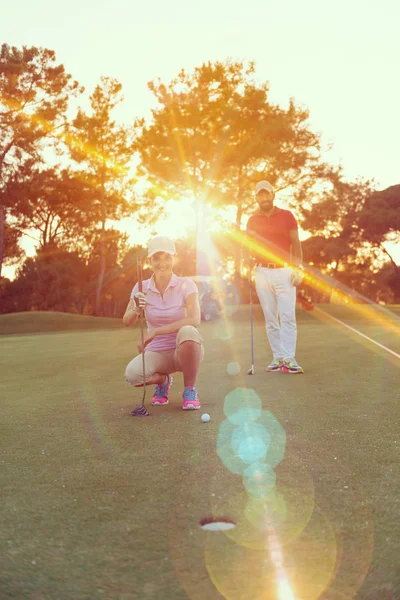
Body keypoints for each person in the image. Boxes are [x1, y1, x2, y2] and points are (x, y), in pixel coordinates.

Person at [123, 235, 204, 409]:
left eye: (167, 257)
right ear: (150, 260)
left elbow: (194, 319)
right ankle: (163, 380)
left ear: (174, 258)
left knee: (188, 331)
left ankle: (189, 390)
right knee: (133, 376)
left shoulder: (186, 285)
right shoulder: (140, 287)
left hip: (182, 350)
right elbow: (126, 321)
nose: (162, 263)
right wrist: (136, 309)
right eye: (156, 258)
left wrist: (155, 332)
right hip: (157, 353)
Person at [246, 180, 304, 374]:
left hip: (284, 271)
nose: (263, 198)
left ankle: (289, 358)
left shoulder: (287, 216)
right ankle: (278, 357)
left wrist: (298, 268)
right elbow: (248, 244)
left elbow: (295, 243)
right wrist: (246, 263)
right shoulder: (252, 220)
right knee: (271, 318)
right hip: (262, 272)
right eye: (259, 195)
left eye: (266, 194)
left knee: (287, 317)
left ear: (273, 194)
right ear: (256, 198)